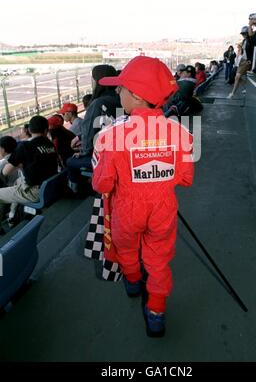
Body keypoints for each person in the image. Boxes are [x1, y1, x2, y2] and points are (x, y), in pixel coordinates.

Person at [91, 56, 194, 337]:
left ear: (135, 95)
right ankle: (157, 314)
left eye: (120, 88)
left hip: (126, 209)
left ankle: (134, 283)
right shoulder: (182, 132)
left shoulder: (111, 136)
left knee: (126, 249)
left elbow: (102, 184)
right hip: (164, 209)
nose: (118, 93)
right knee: (159, 261)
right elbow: (185, 179)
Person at [67, 65, 121, 194]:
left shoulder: (97, 103)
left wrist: (84, 152)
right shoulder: (120, 98)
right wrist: (80, 137)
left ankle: (79, 191)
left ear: (97, 81)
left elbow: (90, 133)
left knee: (70, 161)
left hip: (106, 158)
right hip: (120, 152)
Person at [0, 115, 58, 227]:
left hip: (34, 192)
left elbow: (5, 172)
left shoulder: (25, 146)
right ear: (46, 130)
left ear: (29, 130)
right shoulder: (50, 144)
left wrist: (20, 165)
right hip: (50, 187)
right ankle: (12, 215)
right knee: (17, 182)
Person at [227, 26, 254, 99]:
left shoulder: (251, 40)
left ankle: (232, 93)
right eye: (242, 34)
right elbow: (243, 52)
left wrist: (250, 60)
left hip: (246, 61)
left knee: (237, 77)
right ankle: (245, 87)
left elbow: (253, 51)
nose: (243, 35)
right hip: (242, 60)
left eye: (245, 33)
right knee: (236, 77)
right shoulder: (244, 41)